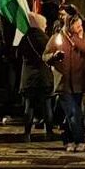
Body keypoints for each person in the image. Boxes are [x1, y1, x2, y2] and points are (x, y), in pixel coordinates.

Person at [44, 13, 85, 152]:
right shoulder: (57, 37)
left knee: (71, 115)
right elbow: (45, 55)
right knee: (73, 113)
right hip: (63, 83)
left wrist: (75, 39)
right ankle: (80, 140)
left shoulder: (81, 38)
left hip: (78, 83)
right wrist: (54, 56)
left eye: (80, 25)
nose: (79, 27)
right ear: (69, 24)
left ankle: (68, 140)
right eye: (76, 25)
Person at [19, 12, 55, 141]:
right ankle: (49, 132)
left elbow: (18, 55)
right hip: (44, 77)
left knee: (29, 107)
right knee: (47, 106)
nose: (45, 26)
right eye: (44, 24)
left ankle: (27, 133)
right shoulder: (46, 39)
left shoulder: (25, 38)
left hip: (28, 78)